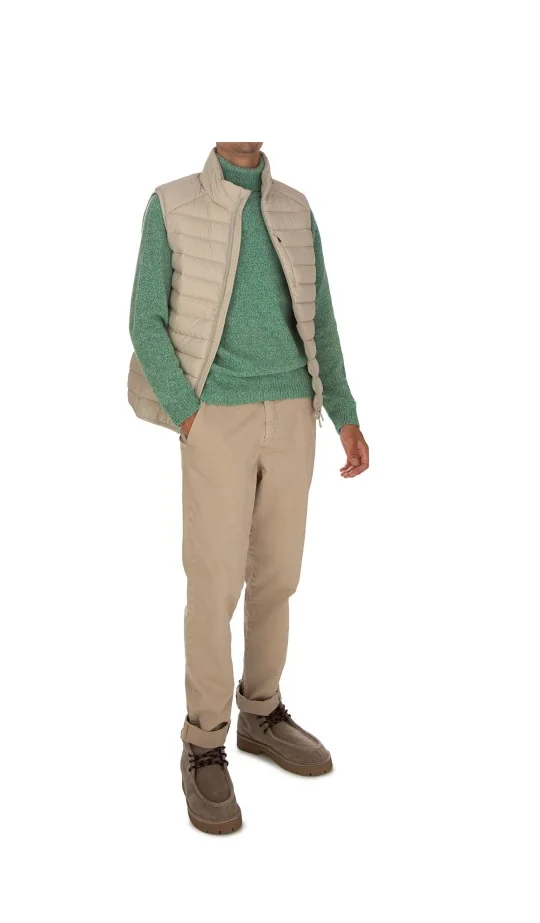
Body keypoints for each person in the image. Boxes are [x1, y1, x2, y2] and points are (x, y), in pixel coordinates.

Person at [128, 142, 369, 833]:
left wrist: (344, 413)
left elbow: (321, 319)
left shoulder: (294, 208)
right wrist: (188, 411)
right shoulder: (172, 203)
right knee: (214, 583)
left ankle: (261, 712)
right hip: (216, 418)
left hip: (294, 413)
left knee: (279, 577)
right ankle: (203, 742)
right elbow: (144, 318)